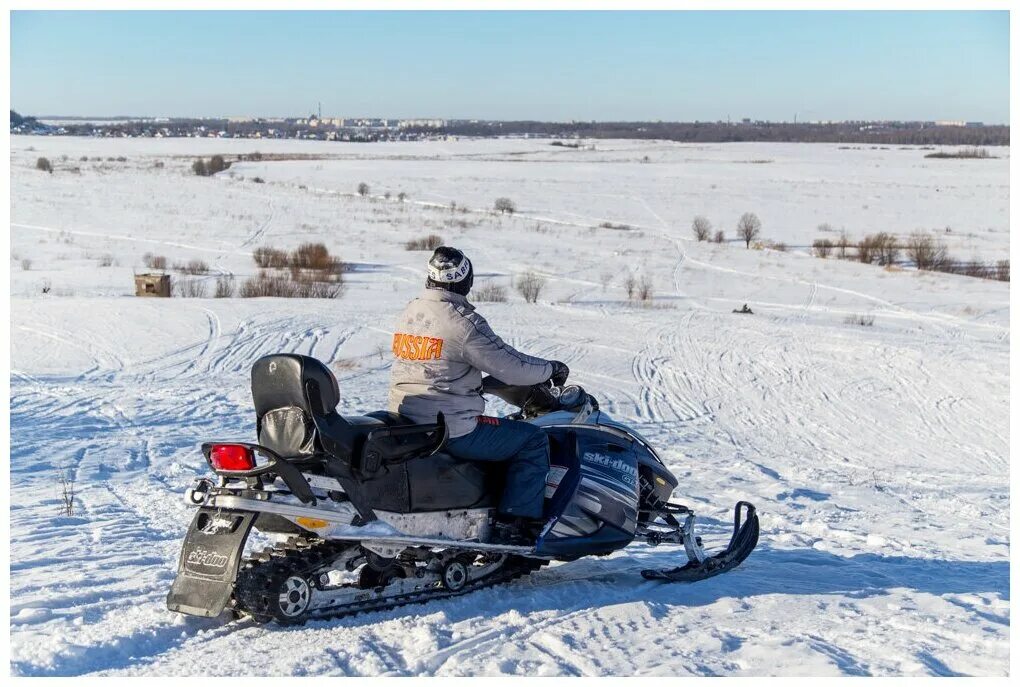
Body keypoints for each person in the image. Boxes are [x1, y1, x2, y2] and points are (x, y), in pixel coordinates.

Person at [388, 246, 569, 533]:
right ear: (467, 280)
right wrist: (551, 369)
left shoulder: (411, 311)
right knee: (532, 439)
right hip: (449, 427)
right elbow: (511, 366)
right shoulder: (462, 323)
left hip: (406, 418)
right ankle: (517, 524)